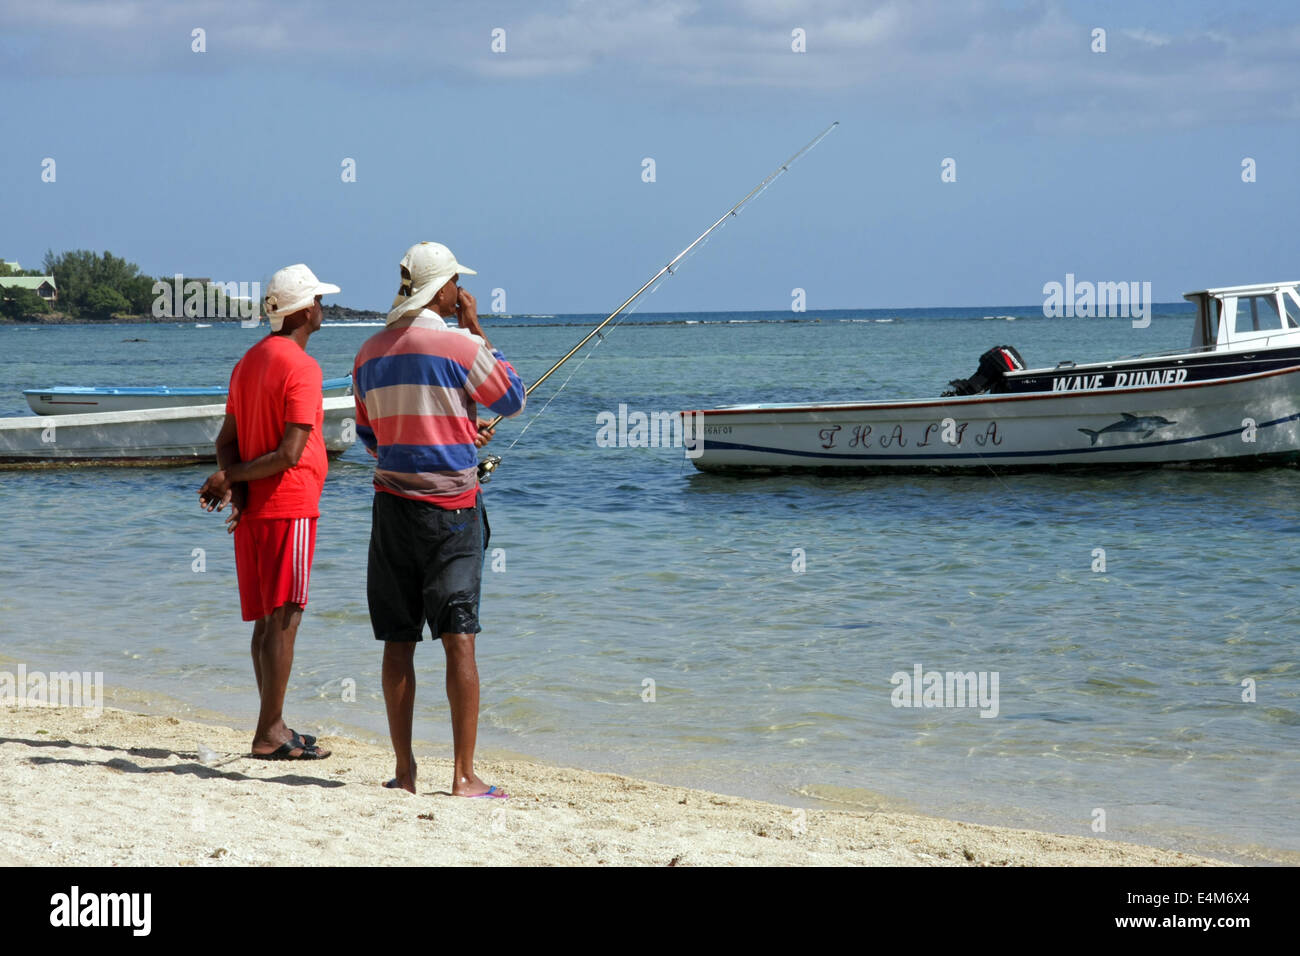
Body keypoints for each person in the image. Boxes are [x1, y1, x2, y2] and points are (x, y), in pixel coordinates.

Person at [353, 241, 526, 796]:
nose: (460, 294)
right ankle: (463, 775)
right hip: (451, 511)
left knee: (397, 641)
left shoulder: (367, 353)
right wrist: (477, 328)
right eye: (456, 284)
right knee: (459, 639)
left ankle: (404, 773)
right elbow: (512, 398)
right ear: (443, 290)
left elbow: (370, 437)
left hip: (392, 510)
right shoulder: (460, 344)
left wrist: (445, 429)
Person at [198, 263, 340, 760]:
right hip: (289, 503)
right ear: (303, 311)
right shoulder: (302, 368)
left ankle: (273, 723)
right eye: (318, 300)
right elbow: (288, 453)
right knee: (286, 617)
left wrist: (234, 486)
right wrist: (231, 480)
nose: (322, 307)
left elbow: (225, 442)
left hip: (257, 507)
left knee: (266, 620)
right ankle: (268, 733)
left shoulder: (248, 361)